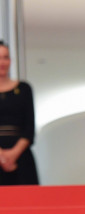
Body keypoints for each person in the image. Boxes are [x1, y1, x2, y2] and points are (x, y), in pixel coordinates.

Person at [0, 41, 38, 185]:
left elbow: (29, 127)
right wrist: (2, 157)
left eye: (6, 57)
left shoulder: (24, 89)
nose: (2, 62)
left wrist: (13, 154)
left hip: (21, 157)